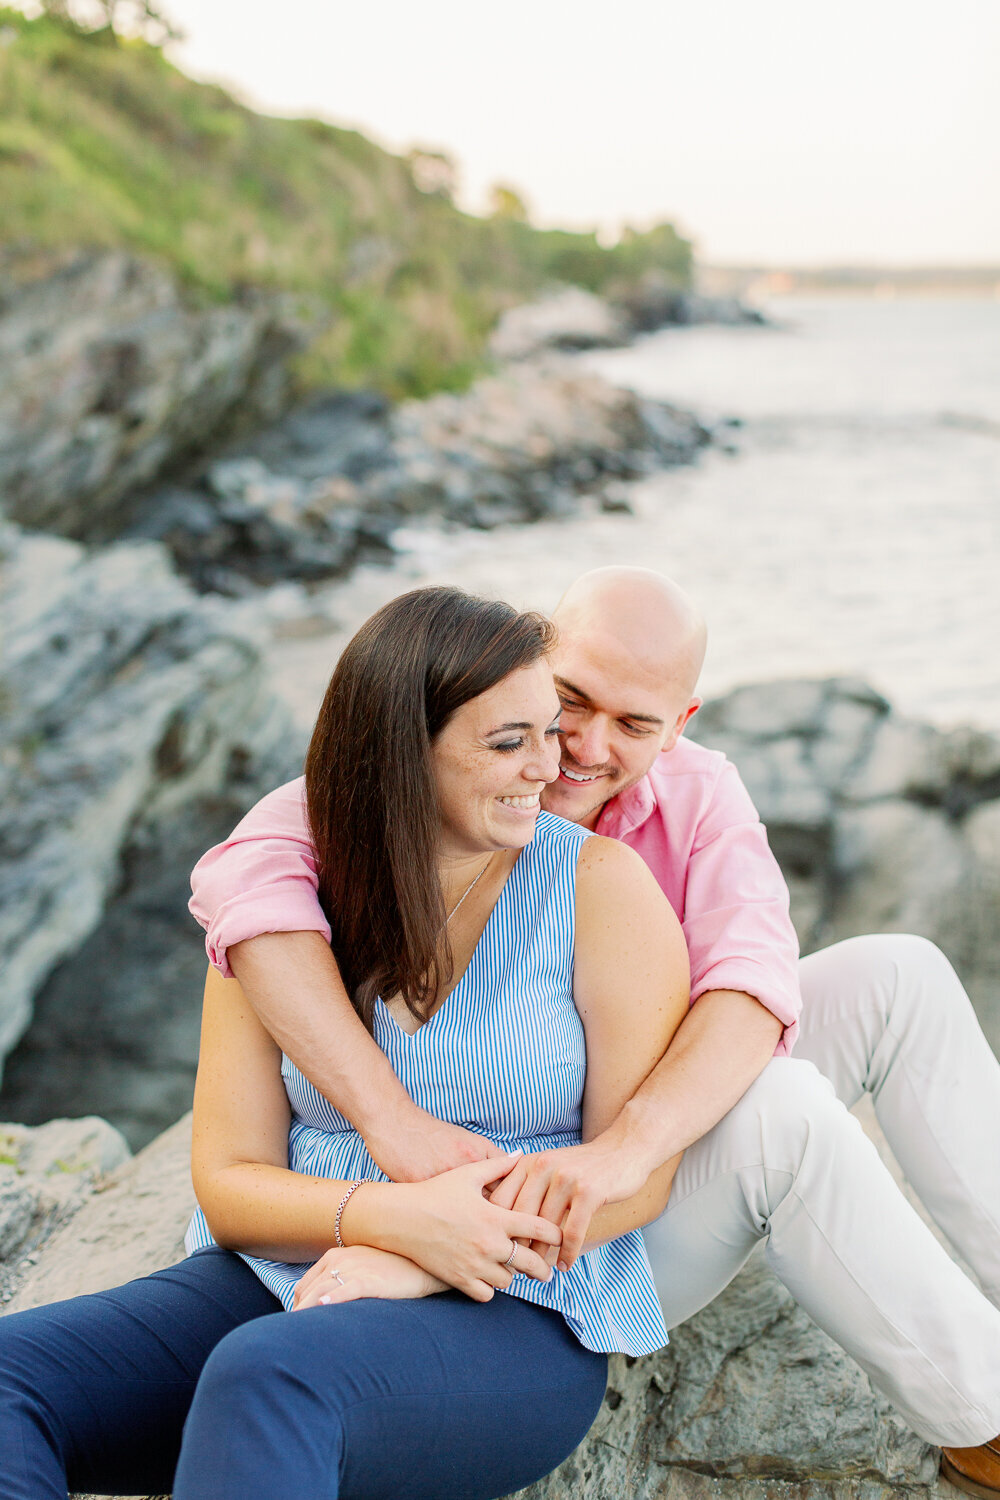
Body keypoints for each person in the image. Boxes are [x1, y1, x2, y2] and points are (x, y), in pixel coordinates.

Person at [190, 566, 1000, 1497]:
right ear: (532, 664)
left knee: (899, 974)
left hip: (618, 1182)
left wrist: (626, 1150)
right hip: (512, 1196)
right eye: (568, 700)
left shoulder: (698, 795)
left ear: (682, 723)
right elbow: (244, 897)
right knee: (784, 1110)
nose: (579, 747)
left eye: (636, 725)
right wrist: (390, 1132)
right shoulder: (407, 779)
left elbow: (754, 983)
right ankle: (988, 1419)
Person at [0, 587, 692, 1500]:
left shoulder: (600, 889)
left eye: (546, 730)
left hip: (518, 1309)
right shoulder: (279, 907)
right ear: (404, 752)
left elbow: (637, 1173)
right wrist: (391, 1219)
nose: (548, 768)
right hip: (277, 1275)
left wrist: (426, 1256)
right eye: (507, 741)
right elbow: (231, 1181)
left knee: (270, 1377)